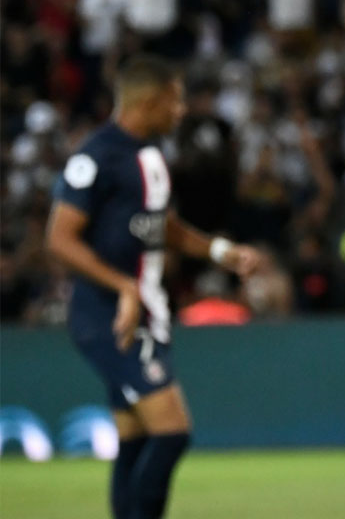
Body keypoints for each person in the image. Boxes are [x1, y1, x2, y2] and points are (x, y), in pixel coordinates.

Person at [46, 54, 262, 519]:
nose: (181, 110)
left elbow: (164, 228)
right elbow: (59, 239)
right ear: (149, 102)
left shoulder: (152, 159)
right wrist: (124, 287)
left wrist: (222, 253)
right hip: (108, 317)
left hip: (144, 313)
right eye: (175, 100)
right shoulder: (95, 156)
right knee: (172, 432)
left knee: (136, 438)